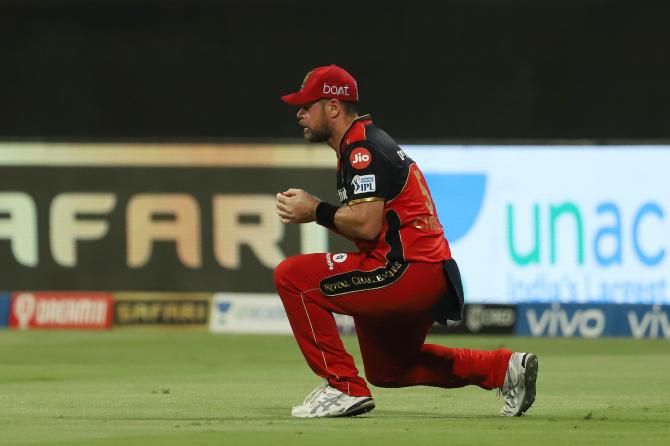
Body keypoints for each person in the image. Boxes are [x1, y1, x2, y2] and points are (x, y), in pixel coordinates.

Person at [274, 64, 538, 418]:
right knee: (389, 370)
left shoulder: (361, 148)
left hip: (403, 272)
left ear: (333, 107)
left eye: (308, 105)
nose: (300, 113)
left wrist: (315, 210)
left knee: (292, 276)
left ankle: (342, 386)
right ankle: (503, 369)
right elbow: (375, 228)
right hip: (426, 273)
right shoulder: (363, 141)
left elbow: (366, 227)